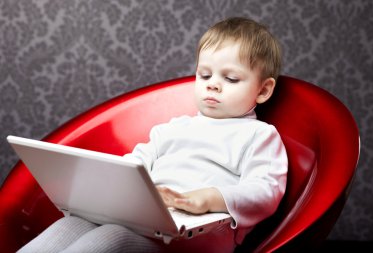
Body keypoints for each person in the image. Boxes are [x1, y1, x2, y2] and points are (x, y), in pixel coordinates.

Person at [17, 17, 288, 253]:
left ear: (263, 91)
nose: (213, 85)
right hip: (147, 218)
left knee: (112, 237)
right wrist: (104, 188)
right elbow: (134, 164)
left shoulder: (259, 135)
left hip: (200, 233)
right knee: (70, 224)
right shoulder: (173, 127)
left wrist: (209, 198)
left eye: (230, 79)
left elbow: (266, 190)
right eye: (204, 75)